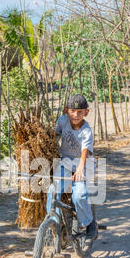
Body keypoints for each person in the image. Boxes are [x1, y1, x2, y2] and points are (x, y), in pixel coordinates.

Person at [46, 94, 98, 242]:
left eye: (80, 112)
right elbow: (55, 136)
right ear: (66, 110)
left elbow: (84, 151)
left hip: (83, 164)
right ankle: (53, 222)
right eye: (72, 111)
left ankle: (89, 223)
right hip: (65, 162)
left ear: (86, 112)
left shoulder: (86, 130)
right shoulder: (62, 121)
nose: (76, 115)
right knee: (53, 190)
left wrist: (80, 169)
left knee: (79, 195)